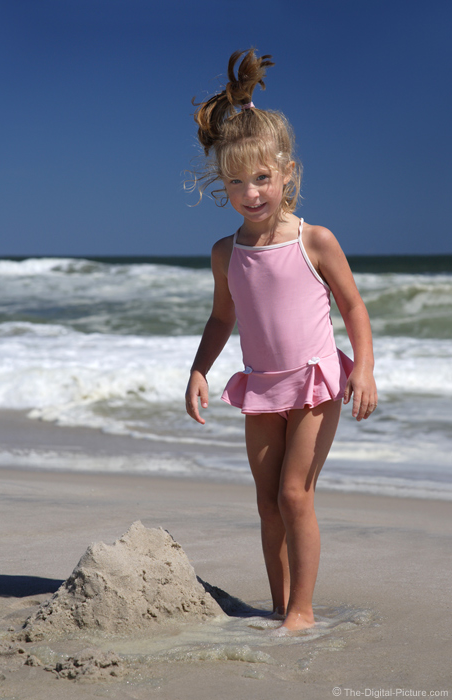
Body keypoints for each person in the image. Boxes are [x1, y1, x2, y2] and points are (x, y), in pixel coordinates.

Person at [185, 49, 377, 633]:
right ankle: (277, 604)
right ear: (223, 182)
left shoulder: (314, 240)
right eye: (238, 181)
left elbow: (353, 307)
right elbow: (223, 319)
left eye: (262, 178)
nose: (252, 193)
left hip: (317, 382)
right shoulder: (226, 253)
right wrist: (199, 370)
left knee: (296, 496)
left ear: (286, 172)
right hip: (262, 389)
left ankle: (302, 611)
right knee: (267, 503)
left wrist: (363, 370)